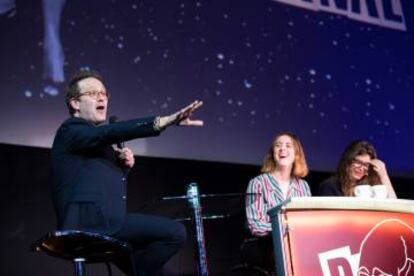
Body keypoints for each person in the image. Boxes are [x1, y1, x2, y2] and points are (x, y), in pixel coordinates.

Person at [51, 69, 203, 276]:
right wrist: (162, 121)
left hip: (107, 222)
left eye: (104, 94)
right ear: (75, 103)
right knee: (174, 232)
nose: (101, 97)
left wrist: (123, 167)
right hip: (90, 222)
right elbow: (108, 132)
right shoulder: (70, 130)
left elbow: (99, 181)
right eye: (93, 93)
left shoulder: (95, 142)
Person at [243, 132, 311, 273]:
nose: (282, 149)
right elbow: (255, 225)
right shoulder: (257, 183)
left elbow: (307, 220)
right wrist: (283, 229)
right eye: (278, 146)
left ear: (297, 154)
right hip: (267, 245)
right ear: (272, 153)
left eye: (288, 145)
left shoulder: (303, 185)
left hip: (298, 243)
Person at [318, 140, 397, 198]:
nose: (361, 168)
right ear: (347, 161)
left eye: (366, 165)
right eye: (358, 162)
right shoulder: (330, 186)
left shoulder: (369, 188)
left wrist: (384, 175)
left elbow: (394, 206)